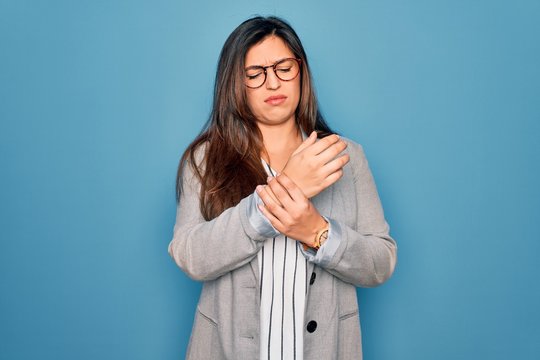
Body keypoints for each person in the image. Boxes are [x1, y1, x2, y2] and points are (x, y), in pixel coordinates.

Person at [168, 16, 397, 360]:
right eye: (255, 73)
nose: (273, 82)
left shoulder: (346, 157)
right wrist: (282, 195)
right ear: (235, 83)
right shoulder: (204, 159)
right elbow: (190, 256)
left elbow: (381, 262)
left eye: (283, 67)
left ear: (301, 72)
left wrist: (318, 232)